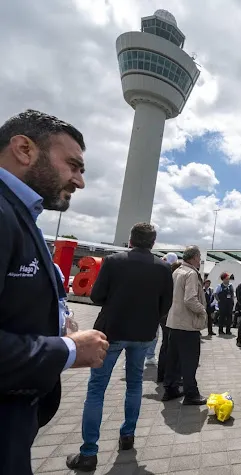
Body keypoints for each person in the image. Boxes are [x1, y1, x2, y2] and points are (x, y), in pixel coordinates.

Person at [0, 110, 109, 474]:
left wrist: (56, 321)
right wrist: (68, 349)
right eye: (73, 166)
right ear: (24, 149)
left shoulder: (19, 215)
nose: (79, 182)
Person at [66, 223, 173, 471]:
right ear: (153, 243)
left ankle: (89, 452)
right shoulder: (163, 268)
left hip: (111, 331)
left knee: (97, 389)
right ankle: (128, 436)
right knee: (134, 384)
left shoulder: (113, 262)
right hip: (143, 333)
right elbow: (165, 304)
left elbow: (96, 296)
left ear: (130, 240)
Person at [162, 246, 208, 405]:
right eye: (199, 257)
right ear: (194, 257)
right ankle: (191, 394)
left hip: (173, 322)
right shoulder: (191, 273)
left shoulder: (177, 271)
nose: (200, 260)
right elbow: (190, 299)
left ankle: (170, 389)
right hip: (187, 324)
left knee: (173, 359)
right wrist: (203, 311)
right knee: (189, 361)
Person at [157, 260, 182, 383]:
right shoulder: (176, 282)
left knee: (165, 345)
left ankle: (161, 374)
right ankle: (171, 376)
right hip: (171, 316)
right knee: (173, 347)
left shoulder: (165, 280)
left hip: (163, 316)